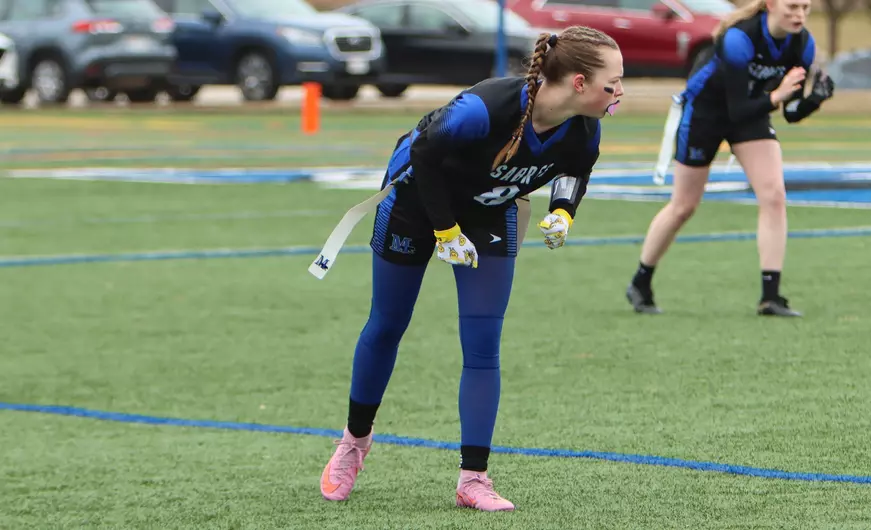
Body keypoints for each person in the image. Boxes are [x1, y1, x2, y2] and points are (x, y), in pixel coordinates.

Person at [319, 26, 624, 512]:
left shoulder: (585, 126)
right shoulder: (486, 108)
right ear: (580, 82)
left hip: (486, 212)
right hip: (418, 201)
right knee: (387, 324)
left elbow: (575, 169)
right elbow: (423, 154)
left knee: (483, 344)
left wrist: (563, 211)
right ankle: (354, 442)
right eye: (614, 83)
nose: (621, 93)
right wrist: (444, 229)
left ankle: (473, 478)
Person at [626, 0, 834, 317]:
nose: (800, 15)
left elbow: (790, 113)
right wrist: (776, 96)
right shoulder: (740, 38)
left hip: (752, 111)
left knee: (774, 196)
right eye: (792, 6)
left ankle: (771, 297)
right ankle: (641, 281)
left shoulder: (803, 44)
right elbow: (739, 107)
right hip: (706, 112)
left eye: (805, 7)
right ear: (770, 5)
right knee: (684, 206)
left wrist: (815, 99)